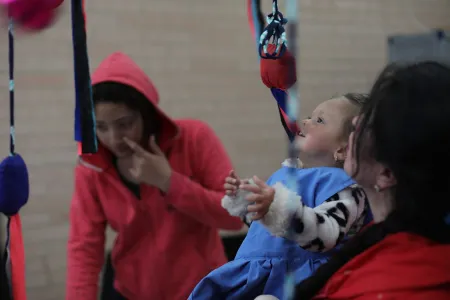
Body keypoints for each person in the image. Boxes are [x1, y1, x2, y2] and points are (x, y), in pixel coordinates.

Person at [65, 52, 243, 300]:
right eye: (101, 127)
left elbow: (235, 217)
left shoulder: (193, 138)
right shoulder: (91, 167)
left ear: (146, 113)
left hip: (202, 288)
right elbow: (84, 248)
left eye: (124, 124)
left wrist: (170, 182)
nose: (113, 138)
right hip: (131, 290)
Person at [288, 61, 450, 300]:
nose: (355, 122)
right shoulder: (390, 247)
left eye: (371, 121)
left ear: (386, 174)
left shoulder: (392, 285)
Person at [189, 93, 371, 300]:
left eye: (319, 120)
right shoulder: (287, 173)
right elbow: (264, 228)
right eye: (310, 117)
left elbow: (325, 233)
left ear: (343, 149)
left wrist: (277, 207)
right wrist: (245, 198)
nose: (305, 122)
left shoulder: (346, 187)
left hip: (298, 282)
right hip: (254, 275)